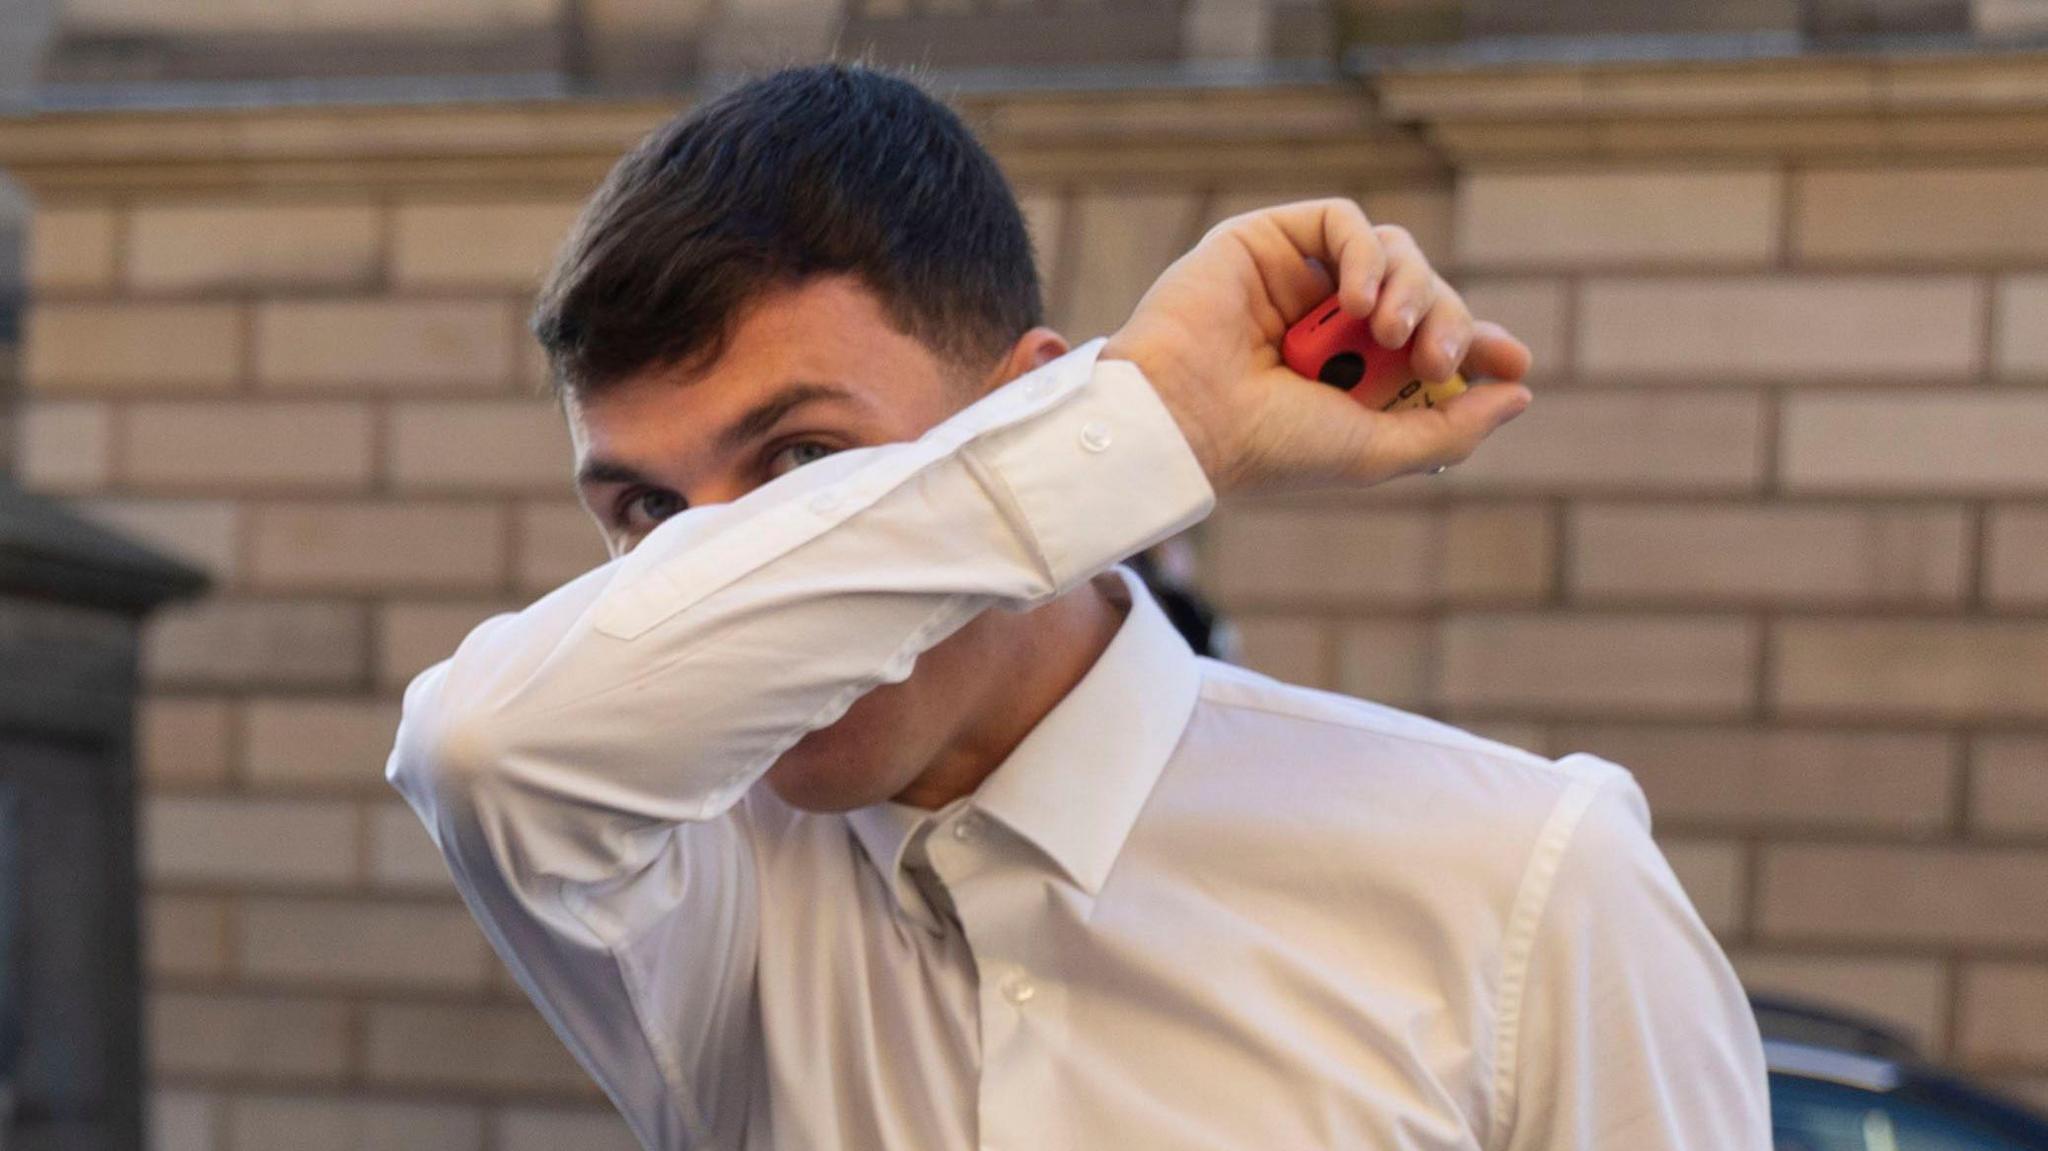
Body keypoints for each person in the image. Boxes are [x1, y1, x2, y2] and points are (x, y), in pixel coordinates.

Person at [386, 63, 1770, 1151]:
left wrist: (1085, 442)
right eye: (647, 514)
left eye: (806, 463)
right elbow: (479, 751)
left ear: (1021, 406)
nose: (724, 561)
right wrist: (1152, 419)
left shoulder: (1518, 875)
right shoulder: (704, 891)